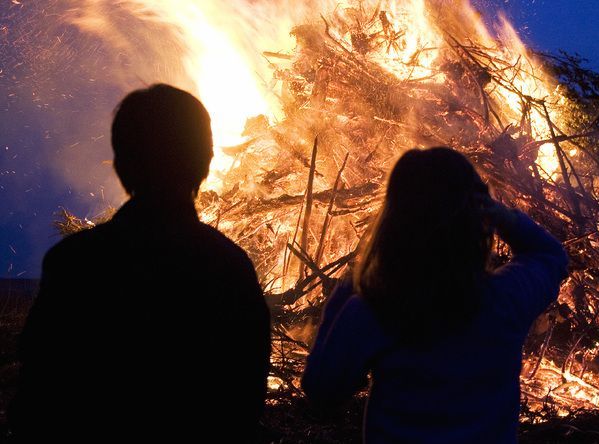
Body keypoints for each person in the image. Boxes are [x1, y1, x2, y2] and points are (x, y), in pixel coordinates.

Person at [10, 84, 271, 442]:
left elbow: (36, 397)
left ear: (120, 164)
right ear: (207, 160)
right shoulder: (229, 268)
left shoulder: (75, 263)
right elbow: (245, 404)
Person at [302, 147, 568, 443]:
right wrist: (501, 216)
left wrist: (352, 285)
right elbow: (551, 255)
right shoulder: (505, 298)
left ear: (393, 222)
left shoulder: (375, 311)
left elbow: (321, 390)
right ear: (477, 220)